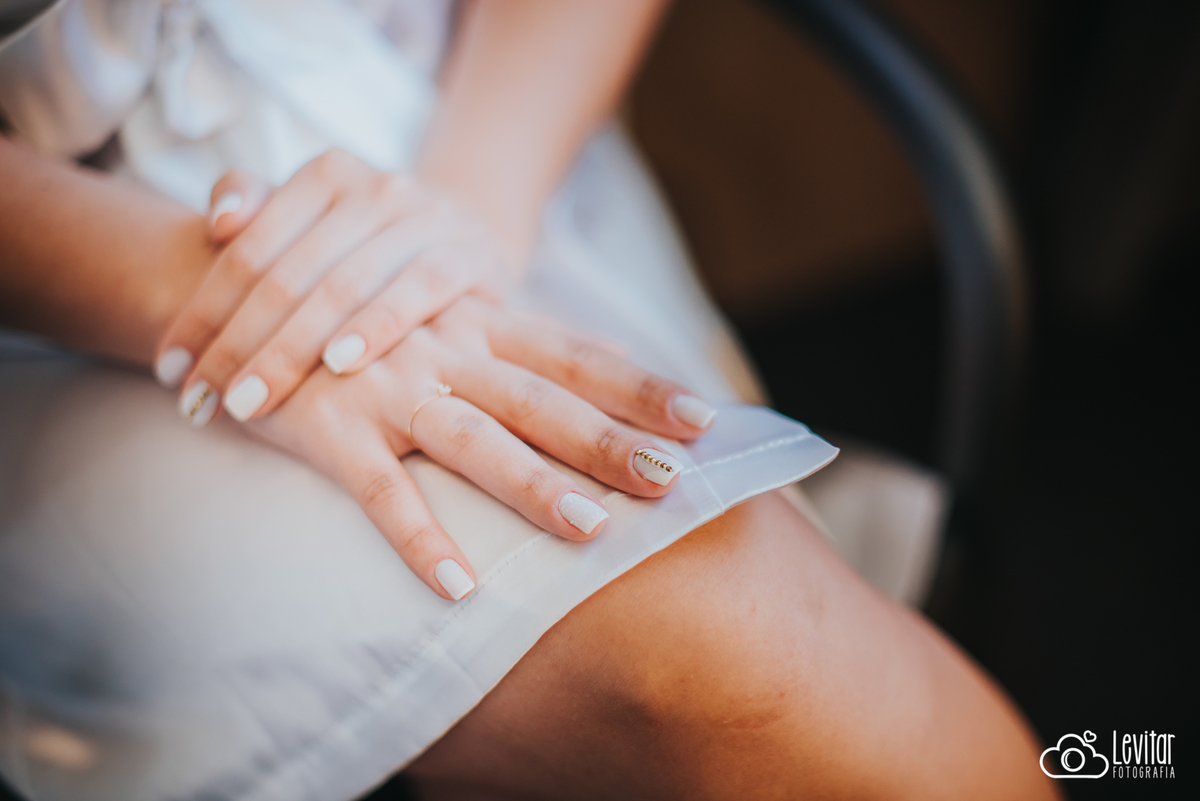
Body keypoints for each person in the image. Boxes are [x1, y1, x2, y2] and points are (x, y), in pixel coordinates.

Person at [0, 1, 1057, 798]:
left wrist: (450, 235)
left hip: (473, 134)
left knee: (747, 604)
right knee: (716, 639)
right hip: (65, 294)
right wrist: (236, 296)